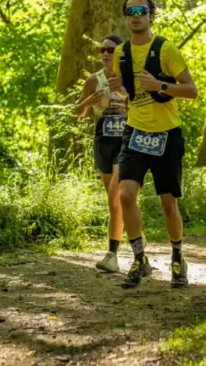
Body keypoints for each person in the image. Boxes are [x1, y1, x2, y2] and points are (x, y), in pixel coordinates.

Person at [108, 0, 197, 289]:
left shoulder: (166, 49)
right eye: (130, 12)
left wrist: (160, 84)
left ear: (150, 15)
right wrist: (119, 88)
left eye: (141, 11)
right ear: (125, 18)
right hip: (135, 132)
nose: (136, 17)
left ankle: (178, 258)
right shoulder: (121, 53)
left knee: (168, 203)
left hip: (167, 134)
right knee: (125, 196)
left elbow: (191, 90)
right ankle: (139, 259)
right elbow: (127, 94)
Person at [75, 34, 127, 273]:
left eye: (111, 50)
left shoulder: (129, 78)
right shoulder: (93, 80)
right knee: (116, 202)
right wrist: (88, 101)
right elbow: (78, 112)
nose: (105, 53)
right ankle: (139, 240)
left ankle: (111, 256)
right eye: (102, 50)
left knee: (115, 198)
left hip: (126, 142)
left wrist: (127, 95)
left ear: (120, 53)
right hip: (103, 142)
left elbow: (144, 107)